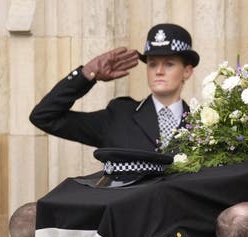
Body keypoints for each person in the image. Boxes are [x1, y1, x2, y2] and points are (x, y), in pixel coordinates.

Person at [29, 23, 200, 151]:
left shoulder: (205, 124)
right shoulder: (119, 116)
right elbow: (44, 117)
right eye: (152, 64)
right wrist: (86, 75)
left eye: (169, 64)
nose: (159, 71)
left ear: (187, 72)